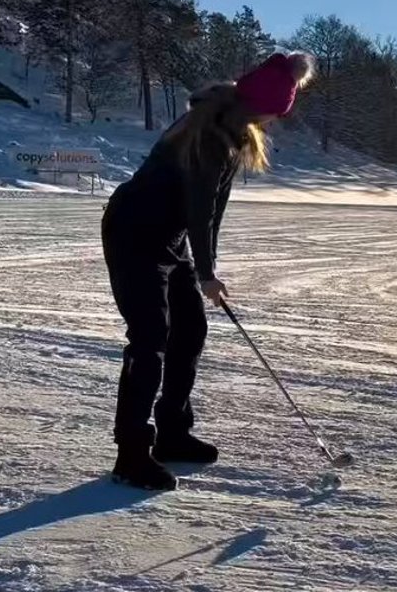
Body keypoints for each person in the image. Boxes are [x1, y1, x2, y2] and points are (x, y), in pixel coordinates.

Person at [102, 51, 314, 491]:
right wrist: (204, 274)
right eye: (273, 114)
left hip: (169, 237)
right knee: (149, 338)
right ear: (258, 107)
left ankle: (173, 435)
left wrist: (206, 270)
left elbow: (213, 211)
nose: (272, 123)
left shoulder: (235, 134)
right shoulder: (208, 135)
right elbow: (199, 208)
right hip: (133, 231)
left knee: (190, 329)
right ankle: (131, 454)